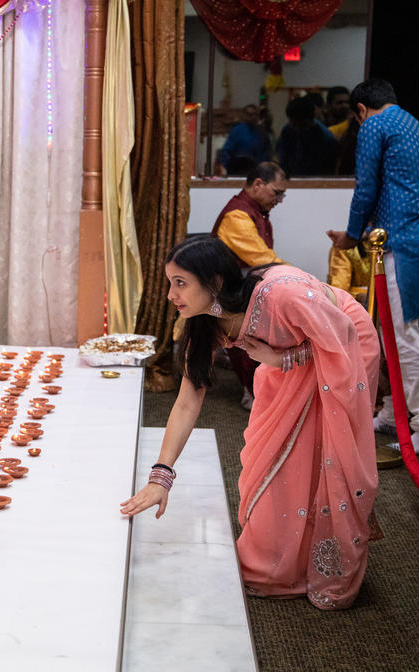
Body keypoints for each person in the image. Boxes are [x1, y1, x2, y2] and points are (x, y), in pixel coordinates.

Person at [120, 236, 379, 610]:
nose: (170, 295)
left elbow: (344, 335)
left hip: (340, 347)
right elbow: (187, 401)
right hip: (284, 355)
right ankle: (280, 561)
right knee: (271, 455)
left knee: (319, 452)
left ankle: (324, 568)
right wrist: (161, 475)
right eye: (169, 283)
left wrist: (284, 360)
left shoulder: (280, 296)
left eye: (180, 283)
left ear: (215, 283)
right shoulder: (204, 322)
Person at [328, 78, 419, 454]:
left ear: (361, 110)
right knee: (400, 329)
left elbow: (365, 187)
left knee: (402, 332)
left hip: (402, 238)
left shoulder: (374, 126)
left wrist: (350, 235)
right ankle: (392, 410)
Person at [212, 161, 287, 409]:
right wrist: (297, 275)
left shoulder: (257, 212)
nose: (279, 200)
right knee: (253, 335)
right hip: (232, 292)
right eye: (277, 193)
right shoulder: (238, 215)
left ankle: (263, 388)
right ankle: (254, 391)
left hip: (248, 287)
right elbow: (262, 259)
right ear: (258, 184)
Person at [276, 94, 339, 177]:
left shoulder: (325, 137)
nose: (298, 129)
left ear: (312, 120)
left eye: (302, 126)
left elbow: (327, 169)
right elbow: (283, 158)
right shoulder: (287, 130)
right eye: (294, 125)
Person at [218, 104, 271, 176]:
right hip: (238, 171)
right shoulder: (237, 131)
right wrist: (229, 167)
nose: (252, 117)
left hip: (257, 172)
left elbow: (266, 153)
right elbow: (226, 151)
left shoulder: (261, 132)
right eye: (249, 114)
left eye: (255, 114)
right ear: (244, 115)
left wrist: (264, 169)